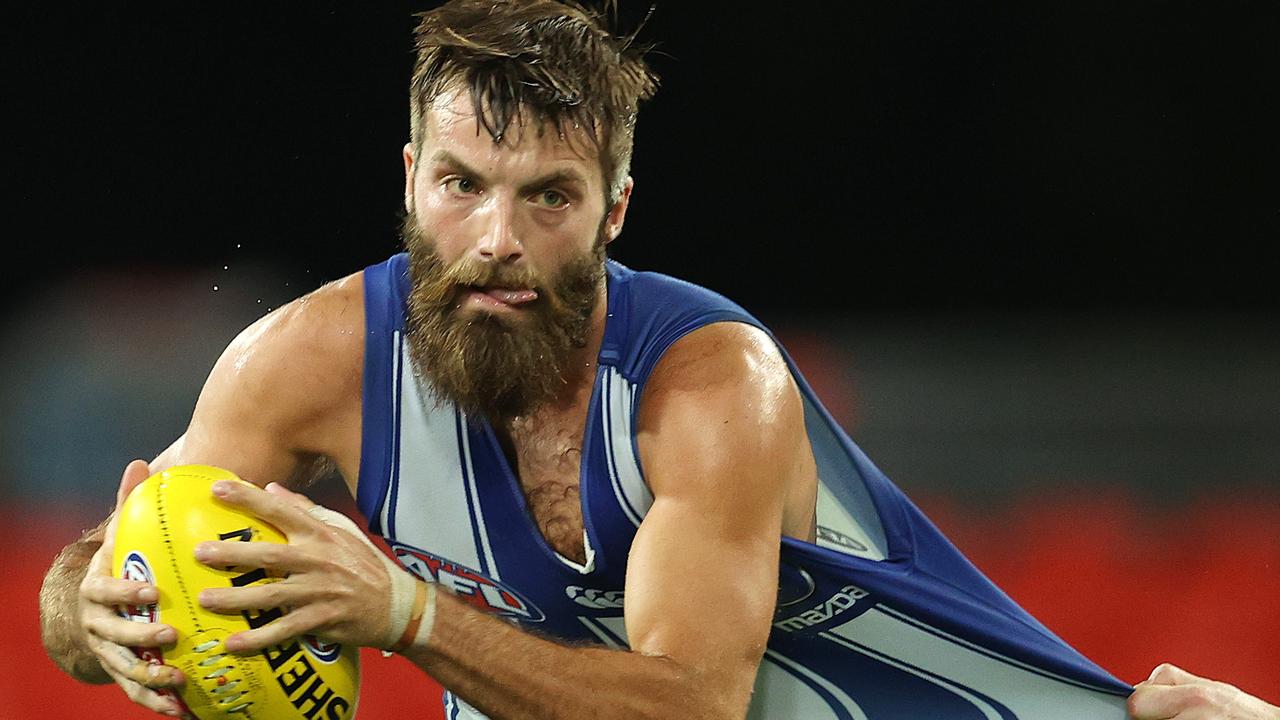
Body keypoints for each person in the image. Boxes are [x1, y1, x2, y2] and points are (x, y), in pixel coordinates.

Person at [37, 2, 1278, 718]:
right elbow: (116, 585)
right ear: (409, 181)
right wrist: (95, 603)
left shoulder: (706, 383)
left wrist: (407, 613)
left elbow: (688, 705)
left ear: (616, 208)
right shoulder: (301, 364)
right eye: (462, 185)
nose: (497, 241)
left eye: (550, 198)